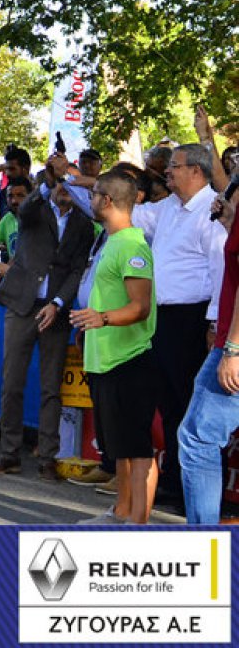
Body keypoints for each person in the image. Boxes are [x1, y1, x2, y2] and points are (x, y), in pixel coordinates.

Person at [130, 142, 227, 506]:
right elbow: (128, 215)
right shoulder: (169, 206)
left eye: (175, 165)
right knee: (169, 403)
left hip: (193, 319)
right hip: (163, 318)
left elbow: (220, 271)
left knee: (192, 406)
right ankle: (174, 481)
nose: (167, 171)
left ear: (196, 171)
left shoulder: (213, 210)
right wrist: (81, 183)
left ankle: (197, 493)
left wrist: (214, 323)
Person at [0, 169, 95, 478]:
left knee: (51, 387)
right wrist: (48, 180)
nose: (64, 189)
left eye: (69, 186)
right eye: (60, 184)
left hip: (55, 311)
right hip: (21, 305)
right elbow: (26, 208)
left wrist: (57, 303)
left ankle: (48, 456)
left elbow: (77, 270)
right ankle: (9, 453)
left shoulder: (84, 223)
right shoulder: (34, 210)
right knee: (12, 383)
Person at [68, 170, 160, 524]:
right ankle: (120, 514)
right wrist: (91, 326)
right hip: (104, 359)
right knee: (119, 448)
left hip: (128, 360)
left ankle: (138, 523)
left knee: (137, 450)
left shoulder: (133, 246)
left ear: (106, 200)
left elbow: (140, 307)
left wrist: (101, 318)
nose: (89, 199)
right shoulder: (112, 241)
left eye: (93, 194)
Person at [177, 177, 239, 524]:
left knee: (197, 437)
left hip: (234, 346)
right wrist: (230, 223)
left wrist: (233, 349)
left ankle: (205, 542)